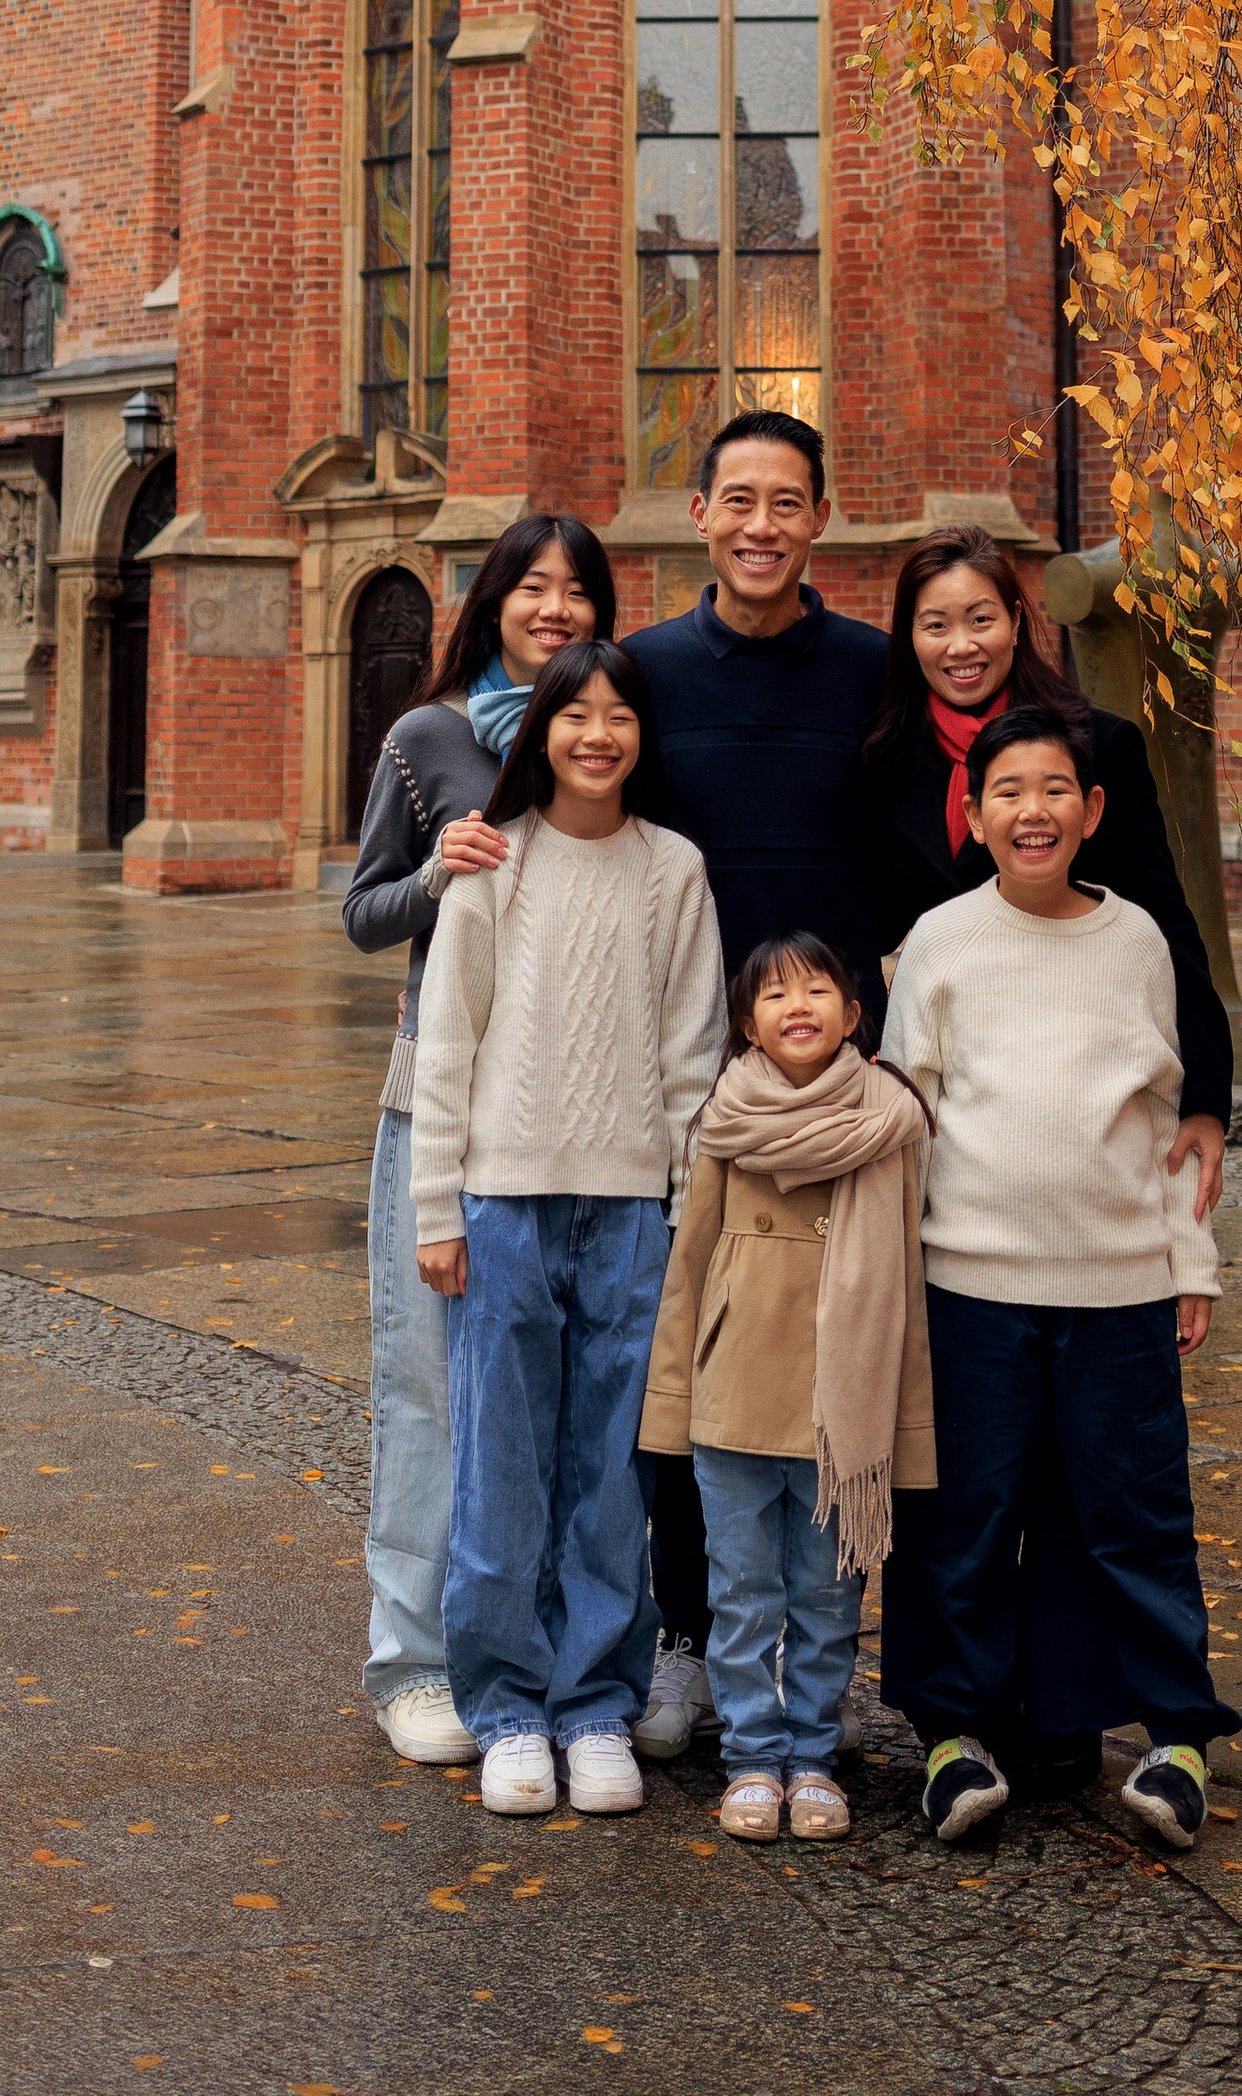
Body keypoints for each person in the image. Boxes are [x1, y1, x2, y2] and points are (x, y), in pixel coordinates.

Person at [861, 522, 1234, 1792]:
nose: (960, 643)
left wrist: (1206, 1135)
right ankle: (955, 1720)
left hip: (1108, 1253)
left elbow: (1171, 975)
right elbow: (906, 1081)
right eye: (934, 622)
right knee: (964, 1504)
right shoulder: (887, 765)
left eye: (982, 617)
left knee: (1115, 1504)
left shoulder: (1099, 769)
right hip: (974, 1249)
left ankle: (1094, 1717)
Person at [411, 638, 726, 1820]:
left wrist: (687, 1210)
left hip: (631, 1207)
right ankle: (503, 1707)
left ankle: (594, 1702)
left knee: (610, 1475)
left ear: (643, 735)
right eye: (574, 714)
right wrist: (438, 1207)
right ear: (539, 728)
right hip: (502, 1200)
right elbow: (449, 1040)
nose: (597, 735)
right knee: (501, 1470)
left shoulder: (672, 871)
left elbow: (693, 1057)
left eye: (618, 717)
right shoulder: (496, 863)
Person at [622, 405, 887, 1756]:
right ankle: (684, 1640)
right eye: (740, 500)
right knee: (699, 1372)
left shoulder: (874, 672)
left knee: (841, 1369)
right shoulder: (649, 669)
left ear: (819, 520)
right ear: (702, 516)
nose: (763, 525)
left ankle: (820, 1661)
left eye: (788, 502)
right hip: (700, 1086)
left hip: (845, 1087)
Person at [341, 514, 616, 1765]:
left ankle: (547, 1654)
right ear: (493, 599)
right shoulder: (428, 735)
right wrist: (441, 873)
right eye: (532, 588)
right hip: (437, 1098)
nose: (553, 609)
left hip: (571, 1114)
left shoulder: (609, 737)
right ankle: (411, 1663)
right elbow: (361, 914)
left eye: (576, 592)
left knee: (553, 1405)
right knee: (422, 1390)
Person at [638, 932, 935, 1845]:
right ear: (745, 1025)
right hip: (736, 1392)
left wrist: (909, 1424)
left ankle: (812, 1755)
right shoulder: (725, 1116)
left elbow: (909, 1280)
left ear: (854, 1016)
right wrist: (673, 1402)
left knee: (826, 1596)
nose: (797, 1005)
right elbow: (690, 1266)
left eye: (818, 990)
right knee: (741, 1594)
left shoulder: (890, 1117)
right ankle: (751, 1760)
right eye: (774, 995)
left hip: (842, 1407)